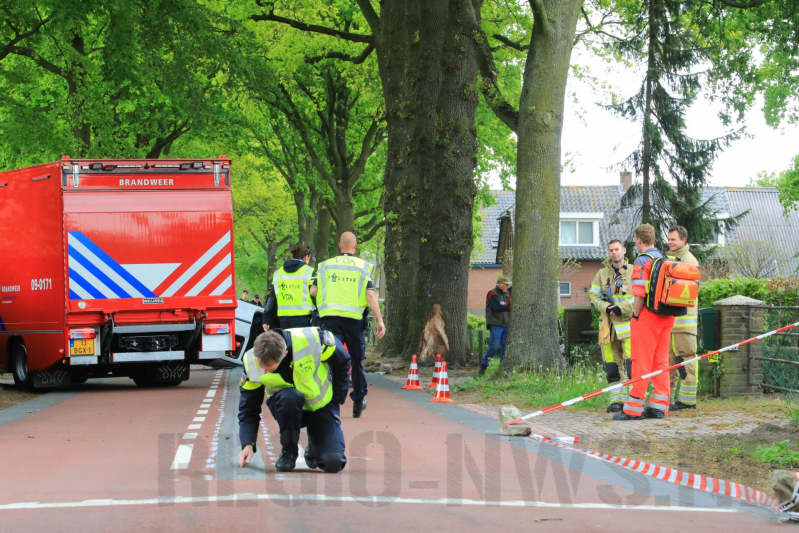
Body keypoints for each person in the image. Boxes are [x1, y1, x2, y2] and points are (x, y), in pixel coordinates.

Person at [237, 328, 350, 473]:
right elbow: (248, 408)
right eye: (261, 365)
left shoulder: (316, 340)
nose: (263, 372)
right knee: (290, 396)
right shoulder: (250, 363)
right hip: (287, 407)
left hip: (321, 405)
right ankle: (289, 451)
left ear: (284, 355)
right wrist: (247, 444)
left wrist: (337, 399)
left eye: (269, 368)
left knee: (333, 463)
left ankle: (315, 444)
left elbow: (343, 361)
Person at [310, 232, 386, 419]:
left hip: (331, 319)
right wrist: (380, 320)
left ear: (338, 245)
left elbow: (313, 291)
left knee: (330, 358)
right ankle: (358, 400)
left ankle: (331, 401)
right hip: (353, 321)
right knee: (356, 360)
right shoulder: (362, 267)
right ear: (355, 245)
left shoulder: (325, 266)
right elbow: (370, 295)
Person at [615, 223, 675, 421]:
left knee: (641, 360)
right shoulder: (663, 259)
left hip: (649, 316)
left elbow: (639, 292)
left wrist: (636, 315)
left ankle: (633, 408)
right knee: (661, 361)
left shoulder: (642, 261)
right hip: (667, 315)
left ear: (638, 240)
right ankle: (659, 407)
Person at [588, 240, 635, 412]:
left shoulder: (633, 272)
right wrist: (605, 307)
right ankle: (616, 401)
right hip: (607, 327)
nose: (614, 253)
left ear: (623, 250)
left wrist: (620, 308)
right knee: (612, 366)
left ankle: (633, 400)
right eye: (611, 250)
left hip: (628, 325)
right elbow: (593, 294)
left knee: (631, 365)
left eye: (617, 249)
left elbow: (637, 296)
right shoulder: (601, 274)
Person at [666, 225, 700, 410]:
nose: (670, 242)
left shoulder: (689, 262)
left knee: (685, 360)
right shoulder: (672, 259)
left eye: (674, 239)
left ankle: (687, 401)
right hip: (671, 324)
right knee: (670, 362)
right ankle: (668, 399)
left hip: (684, 324)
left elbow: (686, 294)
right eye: (669, 239)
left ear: (683, 241)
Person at [264, 244, 316, 330]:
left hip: (283, 319)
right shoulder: (309, 272)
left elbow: (271, 298)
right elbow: (315, 295)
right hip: (304, 318)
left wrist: (266, 319)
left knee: (288, 342)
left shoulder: (278, 273)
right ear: (306, 257)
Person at [479, 275, 511, 376]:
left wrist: (503, 304)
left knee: (505, 347)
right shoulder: (492, 293)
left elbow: (510, 306)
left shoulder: (507, 294)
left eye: (508, 285)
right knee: (493, 346)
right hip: (495, 324)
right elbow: (495, 307)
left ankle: (501, 368)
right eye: (506, 284)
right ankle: (483, 366)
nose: (507, 286)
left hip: (506, 324)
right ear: (500, 284)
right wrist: (504, 305)